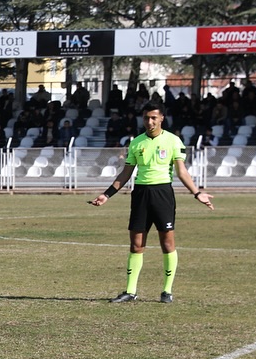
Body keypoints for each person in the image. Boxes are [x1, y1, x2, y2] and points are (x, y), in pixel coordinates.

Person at [90, 102, 214, 304]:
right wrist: (107, 194)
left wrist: (197, 192)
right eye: (147, 117)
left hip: (163, 193)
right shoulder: (137, 143)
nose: (150, 121)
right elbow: (126, 173)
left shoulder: (173, 141)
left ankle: (167, 291)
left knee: (167, 243)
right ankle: (130, 291)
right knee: (136, 244)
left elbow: (182, 171)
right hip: (140, 194)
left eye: (154, 117)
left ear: (162, 118)